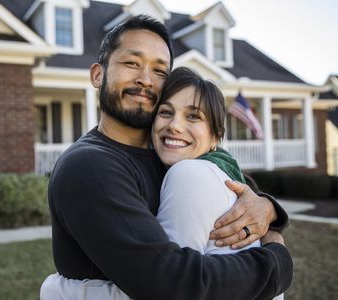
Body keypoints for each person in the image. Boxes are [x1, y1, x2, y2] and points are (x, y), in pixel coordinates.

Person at [41, 15, 292, 300]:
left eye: (160, 71)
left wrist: (269, 210)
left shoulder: (172, 151)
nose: (145, 80)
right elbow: (172, 285)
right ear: (98, 74)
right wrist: (277, 263)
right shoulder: (89, 166)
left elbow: (244, 191)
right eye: (131, 63)